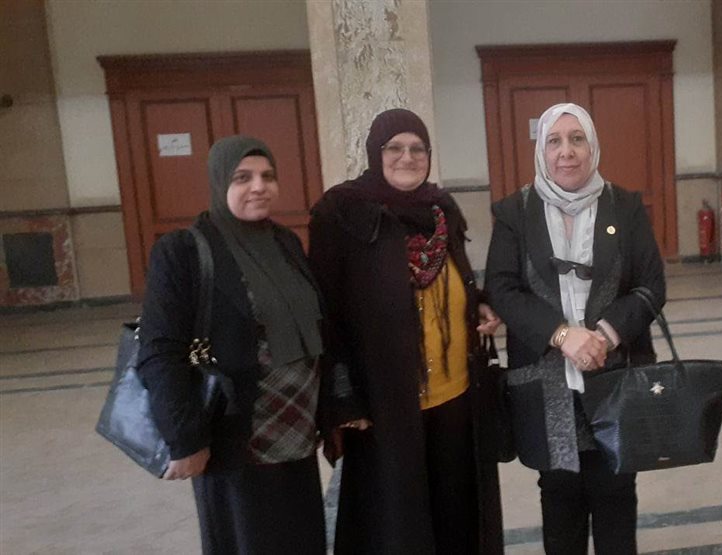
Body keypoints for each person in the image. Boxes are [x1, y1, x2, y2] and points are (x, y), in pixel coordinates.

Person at [307, 108, 505, 554]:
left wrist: (479, 301)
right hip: (384, 404)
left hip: (455, 397)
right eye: (394, 147)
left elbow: (456, 279)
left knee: (455, 514)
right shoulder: (341, 212)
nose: (407, 157)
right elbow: (327, 314)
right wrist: (343, 397)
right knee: (396, 523)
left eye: (418, 148)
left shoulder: (441, 209)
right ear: (375, 153)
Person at [485, 102, 666, 555]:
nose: (566, 151)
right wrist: (563, 335)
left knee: (616, 492)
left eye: (577, 139)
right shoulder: (514, 212)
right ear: (541, 151)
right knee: (559, 496)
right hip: (545, 382)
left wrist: (603, 336)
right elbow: (502, 288)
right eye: (554, 141)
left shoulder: (624, 206)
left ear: (593, 146)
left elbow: (651, 285)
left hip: (616, 375)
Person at [138, 136, 329, 554]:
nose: (259, 186)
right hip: (237, 439)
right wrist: (185, 438)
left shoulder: (285, 243)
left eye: (267, 176)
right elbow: (160, 351)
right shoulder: (183, 251)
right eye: (242, 178)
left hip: (296, 434)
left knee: (301, 541)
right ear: (219, 181)